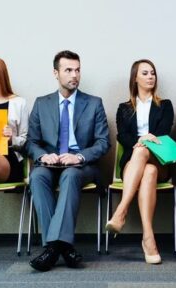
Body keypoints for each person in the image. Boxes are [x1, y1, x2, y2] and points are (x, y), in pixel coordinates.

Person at [26, 50, 110, 271]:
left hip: (82, 166)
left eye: (78, 70)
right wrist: (43, 155)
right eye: (68, 70)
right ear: (56, 73)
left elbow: (103, 143)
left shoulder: (93, 103)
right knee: (37, 176)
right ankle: (63, 247)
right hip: (50, 163)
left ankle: (52, 249)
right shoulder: (41, 103)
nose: (75, 75)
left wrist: (79, 156)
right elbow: (31, 142)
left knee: (70, 175)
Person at [105, 59, 174, 264]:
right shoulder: (124, 108)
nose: (150, 76)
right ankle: (148, 237)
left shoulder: (165, 105)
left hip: (160, 158)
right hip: (134, 162)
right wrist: (139, 140)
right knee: (148, 171)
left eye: (152, 73)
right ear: (135, 78)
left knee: (145, 154)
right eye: (145, 73)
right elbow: (122, 136)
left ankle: (121, 211)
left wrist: (145, 140)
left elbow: (163, 133)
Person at [0, 57, 28, 189]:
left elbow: (26, 141)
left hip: (8, 161)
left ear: (1, 76)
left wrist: (12, 139)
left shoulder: (19, 103)